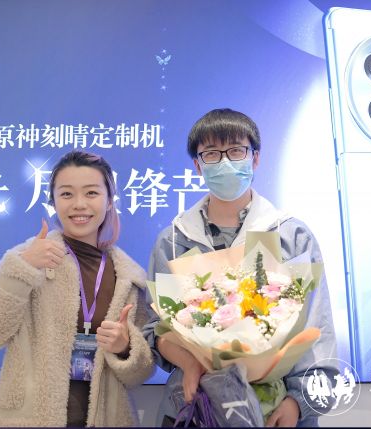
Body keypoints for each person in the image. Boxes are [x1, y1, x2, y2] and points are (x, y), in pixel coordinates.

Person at [143, 108, 338, 427]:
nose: (225, 162)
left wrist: (298, 403)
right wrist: (191, 362)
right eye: (211, 154)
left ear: (255, 158)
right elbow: (157, 330)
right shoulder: (174, 241)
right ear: (198, 165)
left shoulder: (290, 236)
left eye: (236, 150)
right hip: (195, 406)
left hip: (278, 411)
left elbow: (317, 330)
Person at [0, 150, 154, 427]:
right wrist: (24, 268)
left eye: (91, 193)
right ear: (53, 201)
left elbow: (139, 374)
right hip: (30, 421)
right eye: (66, 194)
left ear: (109, 201)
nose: (79, 204)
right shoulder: (27, 259)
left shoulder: (129, 277)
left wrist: (125, 347)